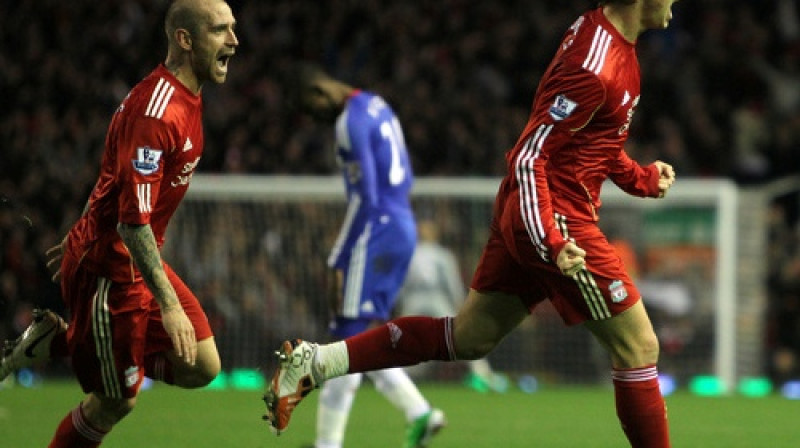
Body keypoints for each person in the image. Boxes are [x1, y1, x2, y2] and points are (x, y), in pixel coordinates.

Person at [265, 1, 678, 447]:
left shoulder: (615, 46)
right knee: (639, 347)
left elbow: (589, 140)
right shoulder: (594, 62)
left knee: (468, 337)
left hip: (535, 210)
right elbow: (529, 155)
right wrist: (552, 239)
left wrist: (641, 178)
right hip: (554, 215)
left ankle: (315, 362)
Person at [0, 1, 238, 446]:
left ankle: (64, 341)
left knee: (204, 365)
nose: (234, 41)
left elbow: (118, 175)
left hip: (132, 258)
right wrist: (166, 302)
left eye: (233, 28)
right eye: (220, 30)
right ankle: (84, 347)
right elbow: (132, 223)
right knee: (116, 400)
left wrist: (87, 222)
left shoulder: (186, 99)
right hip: (110, 272)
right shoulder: (157, 113)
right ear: (185, 40)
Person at [281, 64, 445, 448]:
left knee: (346, 339)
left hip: (378, 228)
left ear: (320, 91)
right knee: (364, 338)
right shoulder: (377, 104)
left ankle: (327, 443)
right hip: (403, 222)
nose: (315, 118)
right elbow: (403, 177)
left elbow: (366, 198)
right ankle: (419, 412)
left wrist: (338, 257)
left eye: (311, 107)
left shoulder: (348, 123)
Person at [397, 216, 508, 393]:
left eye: (428, 228)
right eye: (423, 227)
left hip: (430, 297)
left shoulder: (428, 254)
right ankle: (397, 376)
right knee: (404, 336)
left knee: (454, 334)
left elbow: (450, 281)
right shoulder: (422, 253)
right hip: (422, 297)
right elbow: (402, 282)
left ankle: (482, 374)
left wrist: (459, 303)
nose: (424, 231)